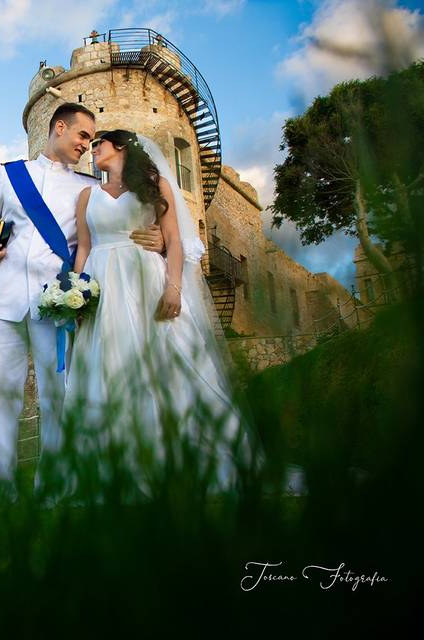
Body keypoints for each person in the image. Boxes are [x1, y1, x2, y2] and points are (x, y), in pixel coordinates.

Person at [0, 104, 166, 509]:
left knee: (59, 398)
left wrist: (159, 241)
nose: (86, 146)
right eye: (82, 136)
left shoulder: (88, 187)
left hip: (55, 303)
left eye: (91, 140)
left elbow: (126, 225)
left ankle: (54, 490)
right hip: (1, 301)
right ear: (60, 128)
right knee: (0, 398)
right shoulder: (9, 174)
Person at [59, 129, 256, 502]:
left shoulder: (155, 185)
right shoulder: (87, 196)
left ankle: (182, 459)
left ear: (119, 147)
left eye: (98, 144)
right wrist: (77, 294)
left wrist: (174, 286)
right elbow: (83, 248)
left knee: (168, 360)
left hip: (146, 279)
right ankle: (114, 468)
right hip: (103, 283)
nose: (92, 149)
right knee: (107, 365)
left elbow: (175, 240)